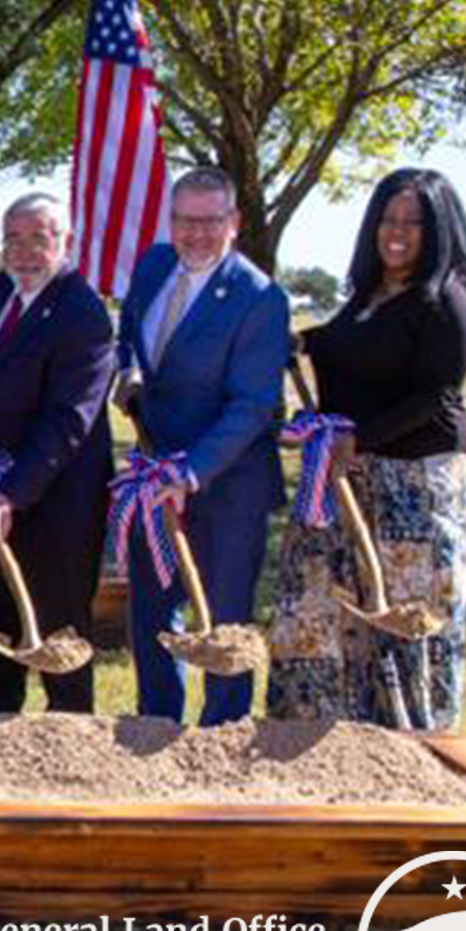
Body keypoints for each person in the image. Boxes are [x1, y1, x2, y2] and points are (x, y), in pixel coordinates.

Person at [269, 168, 466, 728]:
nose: (398, 232)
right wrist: (299, 341)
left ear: (439, 231)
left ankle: (411, 740)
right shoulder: (367, 296)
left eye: (415, 222)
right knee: (317, 603)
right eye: (389, 218)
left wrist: (358, 440)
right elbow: (346, 348)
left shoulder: (446, 303)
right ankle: (316, 730)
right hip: (347, 475)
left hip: (417, 486)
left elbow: (436, 395)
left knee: (402, 618)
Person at [114, 167, 291, 725]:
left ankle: (223, 738)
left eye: (209, 222)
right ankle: (156, 731)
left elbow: (253, 406)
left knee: (224, 625)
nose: (195, 234)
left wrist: (189, 473)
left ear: (234, 222)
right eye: (184, 221)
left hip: (227, 485)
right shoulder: (153, 265)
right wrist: (129, 374)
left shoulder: (260, 299)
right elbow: (128, 333)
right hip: (153, 476)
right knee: (153, 616)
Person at [0, 194, 115, 719]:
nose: (25, 251)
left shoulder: (84, 315)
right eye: (13, 238)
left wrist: (11, 492)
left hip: (57, 502)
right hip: (1, 492)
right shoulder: (5, 288)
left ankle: (71, 752)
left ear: (67, 242)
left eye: (40, 237)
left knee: (60, 636)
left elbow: (68, 422)